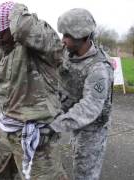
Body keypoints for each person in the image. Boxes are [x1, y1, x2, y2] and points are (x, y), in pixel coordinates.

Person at [0, 2, 67, 179]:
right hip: (7, 129)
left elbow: (22, 29)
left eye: (0, 35)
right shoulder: (2, 46)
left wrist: (16, 10)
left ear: (12, 26)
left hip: (37, 134)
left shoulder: (41, 45)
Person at [50, 8, 114, 180]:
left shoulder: (99, 68)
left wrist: (55, 124)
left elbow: (91, 107)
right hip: (71, 115)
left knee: (85, 171)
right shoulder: (67, 53)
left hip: (92, 126)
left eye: (67, 36)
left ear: (83, 37)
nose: (63, 41)